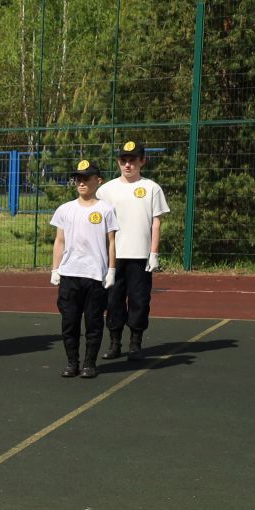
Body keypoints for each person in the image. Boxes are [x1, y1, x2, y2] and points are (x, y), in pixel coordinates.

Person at [97, 137, 170, 359]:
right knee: (113, 301)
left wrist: (154, 253)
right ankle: (115, 343)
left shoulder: (151, 188)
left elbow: (156, 222)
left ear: (142, 161)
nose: (128, 165)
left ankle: (135, 343)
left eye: (132, 160)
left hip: (140, 256)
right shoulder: (106, 190)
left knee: (139, 300)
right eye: (123, 160)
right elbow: (98, 224)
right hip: (113, 258)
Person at [50, 158, 118, 378]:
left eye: (86, 178)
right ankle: (72, 362)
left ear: (98, 181)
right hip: (70, 275)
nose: (81, 183)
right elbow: (59, 241)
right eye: (78, 178)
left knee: (93, 322)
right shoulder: (65, 209)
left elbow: (111, 242)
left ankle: (89, 363)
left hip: (95, 276)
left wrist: (111, 270)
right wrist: (55, 269)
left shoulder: (106, 209)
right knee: (69, 323)